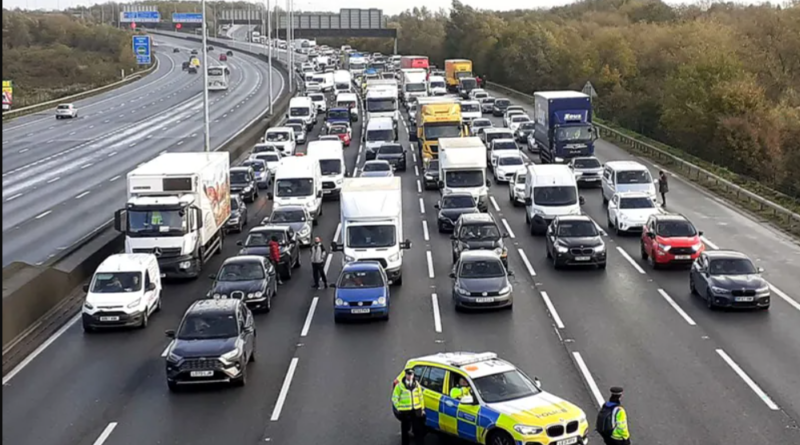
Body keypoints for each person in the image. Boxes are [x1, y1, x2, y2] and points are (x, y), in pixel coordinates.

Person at [392, 368, 425, 445]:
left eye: (411, 375)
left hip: (416, 410)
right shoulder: (400, 386)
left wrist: (422, 409)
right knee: (405, 431)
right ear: (405, 375)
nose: (410, 376)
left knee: (418, 431)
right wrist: (399, 408)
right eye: (408, 374)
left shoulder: (417, 385)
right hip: (405, 411)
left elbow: (420, 397)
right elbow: (394, 398)